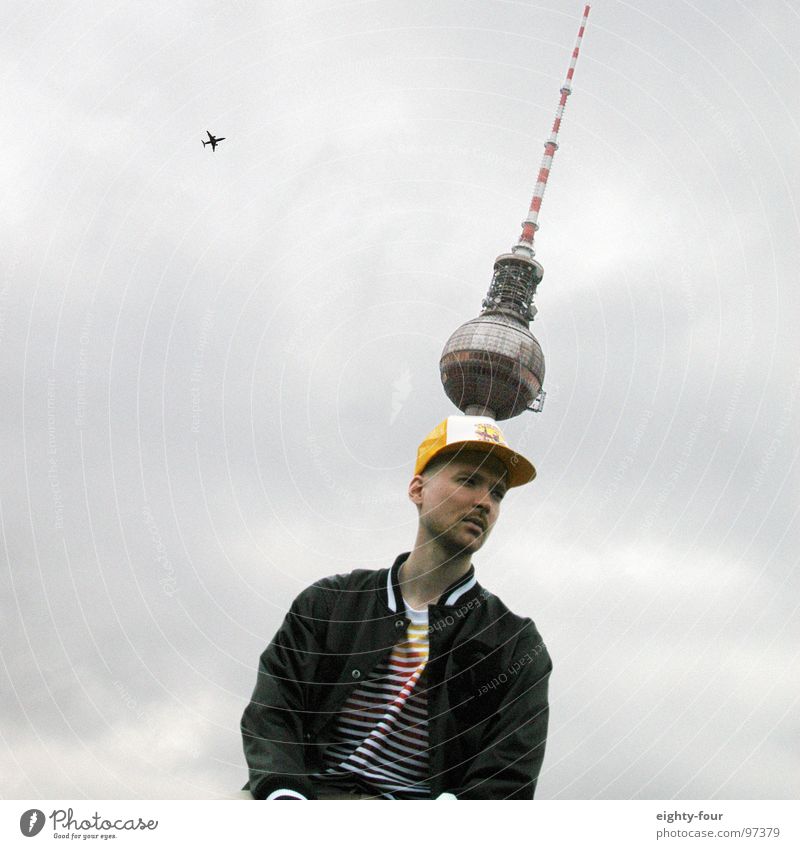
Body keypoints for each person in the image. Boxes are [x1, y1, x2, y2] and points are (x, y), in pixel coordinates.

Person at [241, 415, 552, 799]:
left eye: (498, 493)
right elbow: (273, 713)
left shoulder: (515, 644)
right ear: (417, 489)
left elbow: (507, 780)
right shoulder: (329, 603)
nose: (484, 502)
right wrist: (285, 797)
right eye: (468, 480)